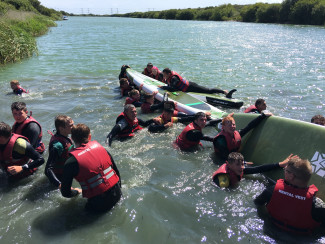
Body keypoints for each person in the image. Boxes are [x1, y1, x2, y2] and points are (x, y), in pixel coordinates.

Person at [254, 156, 325, 234]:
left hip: (270, 231)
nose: (284, 171)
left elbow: (257, 203)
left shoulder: (272, 191)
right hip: (300, 238)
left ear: (291, 176)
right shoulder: (316, 204)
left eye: (286, 170)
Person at [60, 124, 122, 213]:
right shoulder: (102, 149)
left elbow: (65, 193)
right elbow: (116, 172)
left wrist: (76, 192)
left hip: (98, 204)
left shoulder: (70, 162)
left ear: (72, 138)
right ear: (89, 136)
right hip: (118, 194)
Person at [212, 152, 294, 188]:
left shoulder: (237, 169)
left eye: (242, 164)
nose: (242, 167)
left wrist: (280, 164)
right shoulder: (223, 181)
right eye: (238, 165)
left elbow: (258, 169)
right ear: (229, 165)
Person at [159, 68, 235, 97]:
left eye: (164, 75)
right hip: (189, 86)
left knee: (207, 90)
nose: (164, 76)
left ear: (168, 74)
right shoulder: (170, 77)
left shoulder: (173, 78)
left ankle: (224, 92)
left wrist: (163, 87)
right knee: (206, 91)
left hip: (191, 86)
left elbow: (173, 89)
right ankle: (219, 93)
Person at [45, 115, 74, 187]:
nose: (74, 127)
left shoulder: (64, 136)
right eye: (71, 126)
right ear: (61, 128)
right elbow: (48, 169)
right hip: (59, 177)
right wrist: (59, 184)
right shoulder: (57, 146)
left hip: (66, 172)